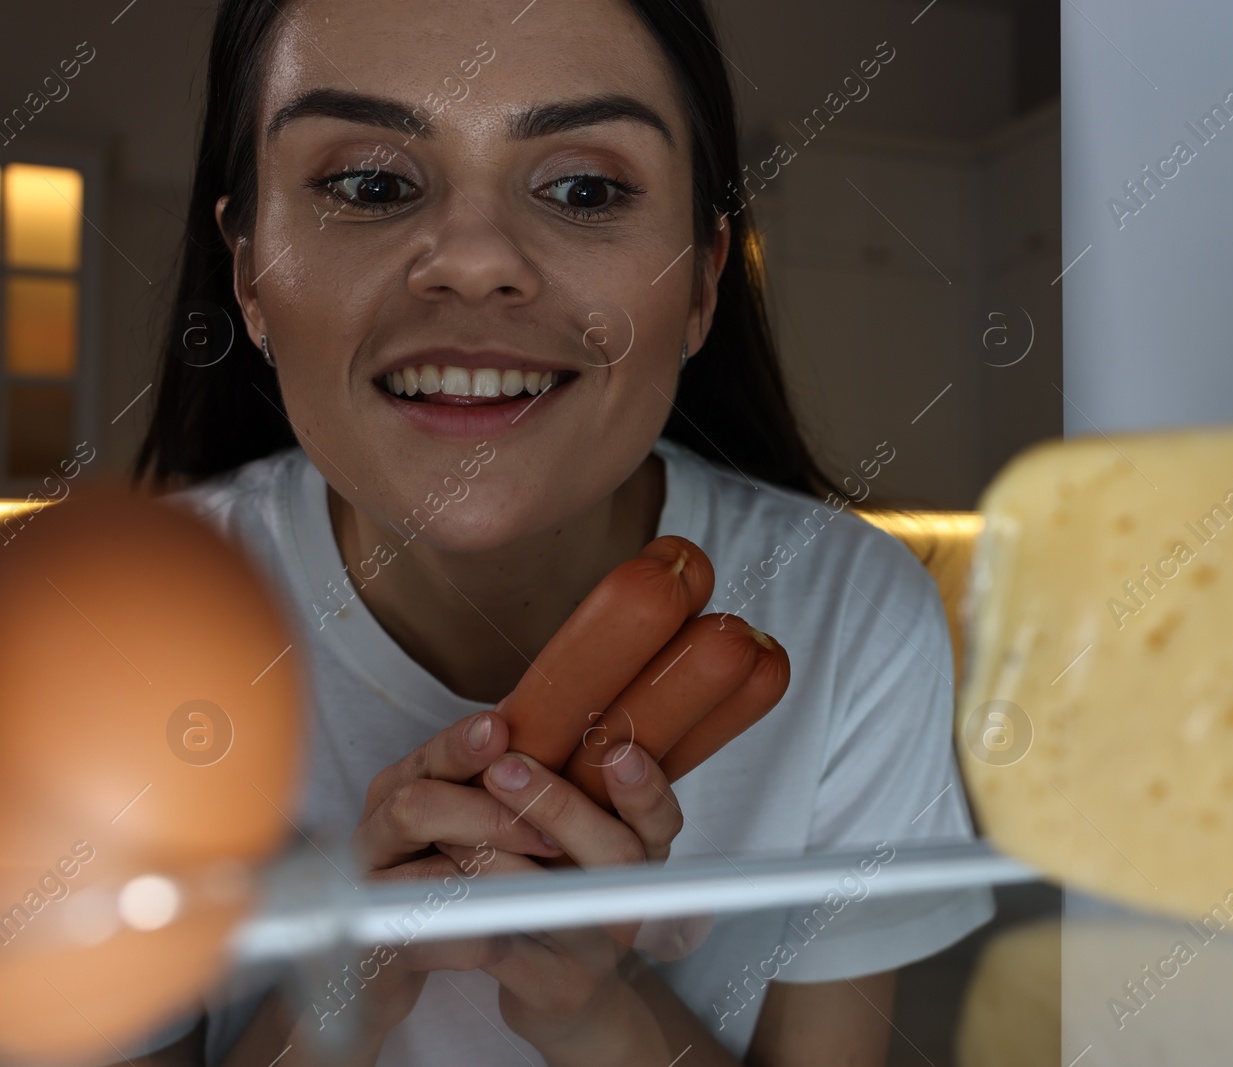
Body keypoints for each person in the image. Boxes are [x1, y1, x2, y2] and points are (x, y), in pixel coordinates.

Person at [125, 0, 992, 1063]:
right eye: (368, 183)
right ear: (249, 273)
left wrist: (600, 1001)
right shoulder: (102, 633)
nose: (477, 259)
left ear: (704, 277)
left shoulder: (850, 612)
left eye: (585, 188)